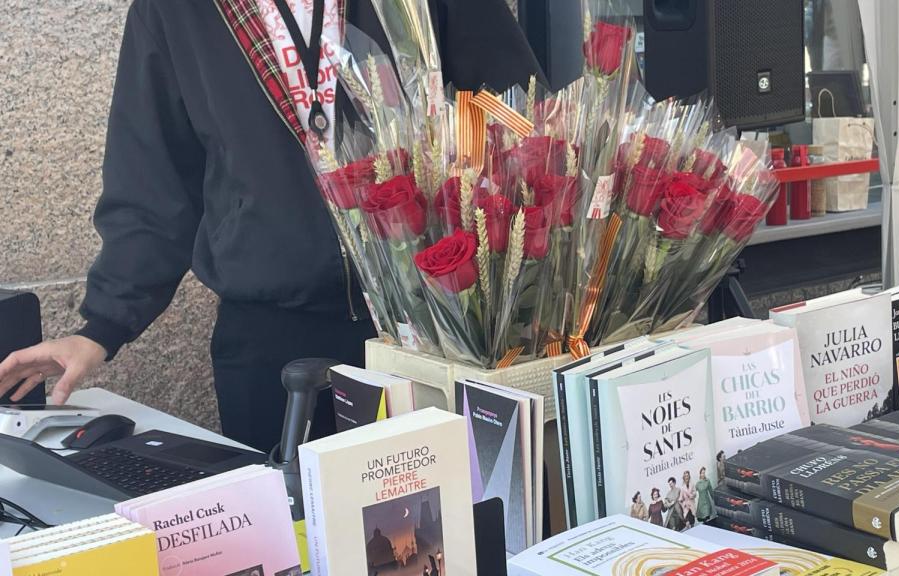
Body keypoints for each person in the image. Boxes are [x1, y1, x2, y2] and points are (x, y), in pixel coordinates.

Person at [0, 0, 540, 453]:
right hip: (269, 348)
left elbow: (514, 115)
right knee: (290, 538)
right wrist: (102, 326)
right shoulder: (175, 9)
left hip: (430, 324)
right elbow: (152, 182)